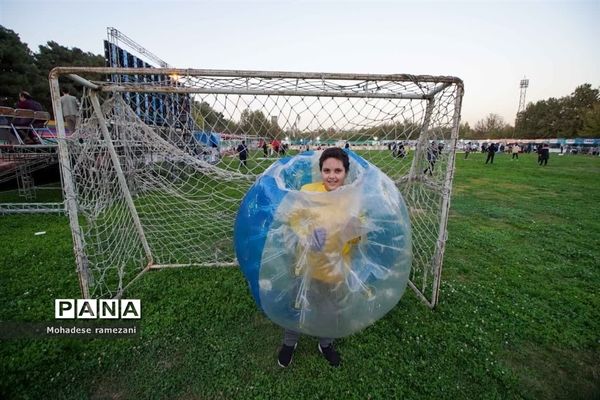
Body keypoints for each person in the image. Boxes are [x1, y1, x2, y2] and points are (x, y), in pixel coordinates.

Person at [277, 147, 358, 368]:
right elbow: (293, 217)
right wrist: (305, 235)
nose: (332, 175)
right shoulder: (309, 190)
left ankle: (326, 343)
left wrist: (353, 232)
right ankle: (289, 343)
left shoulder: (352, 198)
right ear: (320, 171)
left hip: (334, 268)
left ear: (346, 172)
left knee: (329, 308)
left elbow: (356, 238)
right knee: (298, 304)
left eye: (338, 171)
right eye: (327, 170)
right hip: (307, 264)